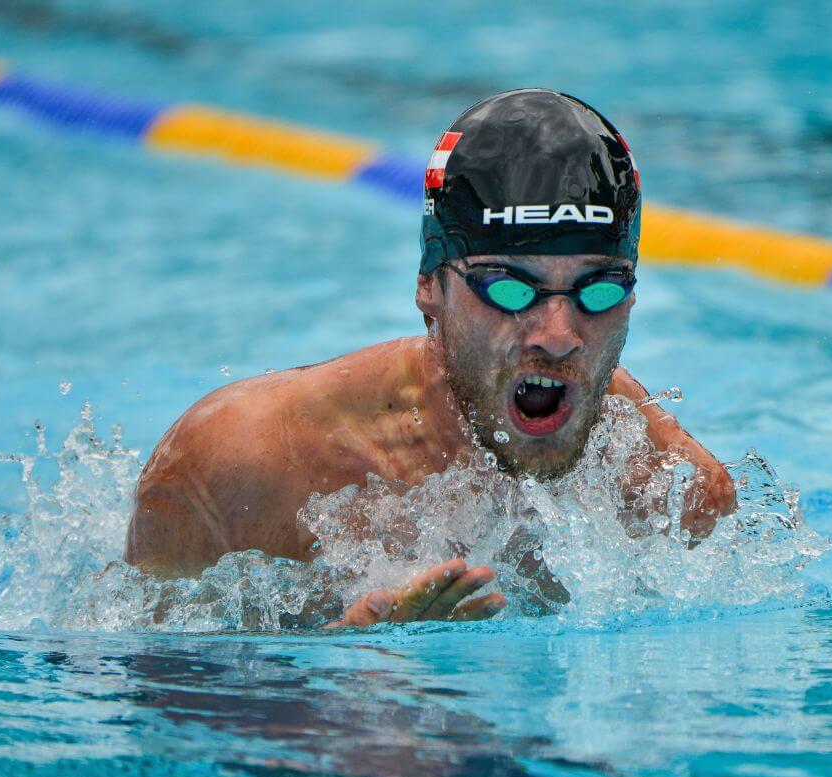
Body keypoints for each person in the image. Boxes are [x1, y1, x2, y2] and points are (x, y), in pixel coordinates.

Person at [124, 89, 736, 627]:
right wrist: (343, 668)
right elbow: (158, 702)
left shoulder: (666, 488)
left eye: (599, 290)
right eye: (508, 288)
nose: (559, 334)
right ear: (429, 284)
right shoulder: (239, 464)